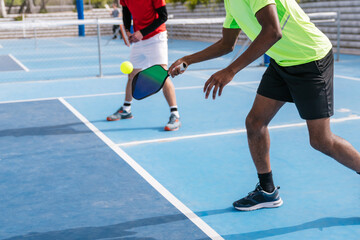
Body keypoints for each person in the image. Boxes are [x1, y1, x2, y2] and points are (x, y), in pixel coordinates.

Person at [169, 0, 360, 211]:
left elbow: (272, 31)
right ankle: (268, 191)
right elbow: (226, 44)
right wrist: (187, 60)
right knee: (255, 123)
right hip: (283, 62)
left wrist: (230, 71)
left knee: (321, 140)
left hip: (310, 59)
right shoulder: (230, 2)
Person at [107, 0, 181, 131]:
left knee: (162, 74)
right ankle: (126, 109)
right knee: (132, 75)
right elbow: (125, 13)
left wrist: (142, 32)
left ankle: (175, 115)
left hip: (156, 37)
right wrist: (128, 31)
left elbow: (163, 16)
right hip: (139, 40)